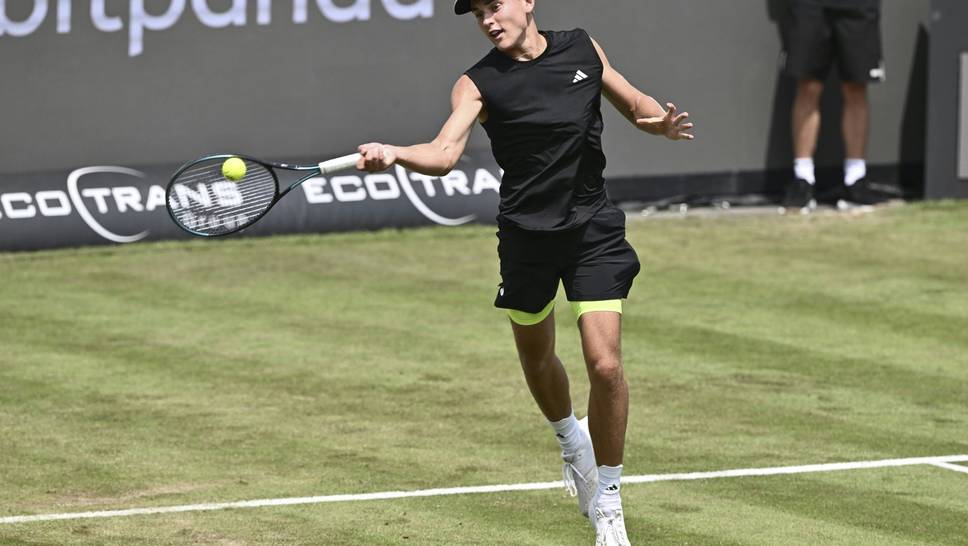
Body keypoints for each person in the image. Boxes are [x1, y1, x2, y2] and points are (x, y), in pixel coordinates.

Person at [355, 1, 693, 544]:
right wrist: (395, 153)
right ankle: (571, 442)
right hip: (526, 238)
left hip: (592, 229)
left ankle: (608, 499)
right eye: (478, 14)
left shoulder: (582, 47)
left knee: (605, 365)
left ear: (527, 1)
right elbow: (443, 153)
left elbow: (635, 104)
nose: (489, 20)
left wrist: (660, 124)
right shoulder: (476, 84)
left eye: (495, 5)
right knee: (537, 358)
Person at [782, 0, 886, 211]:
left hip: (858, 7)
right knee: (808, 85)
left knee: (855, 87)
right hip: (810, 5)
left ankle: (855, 179)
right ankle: (803, 179)